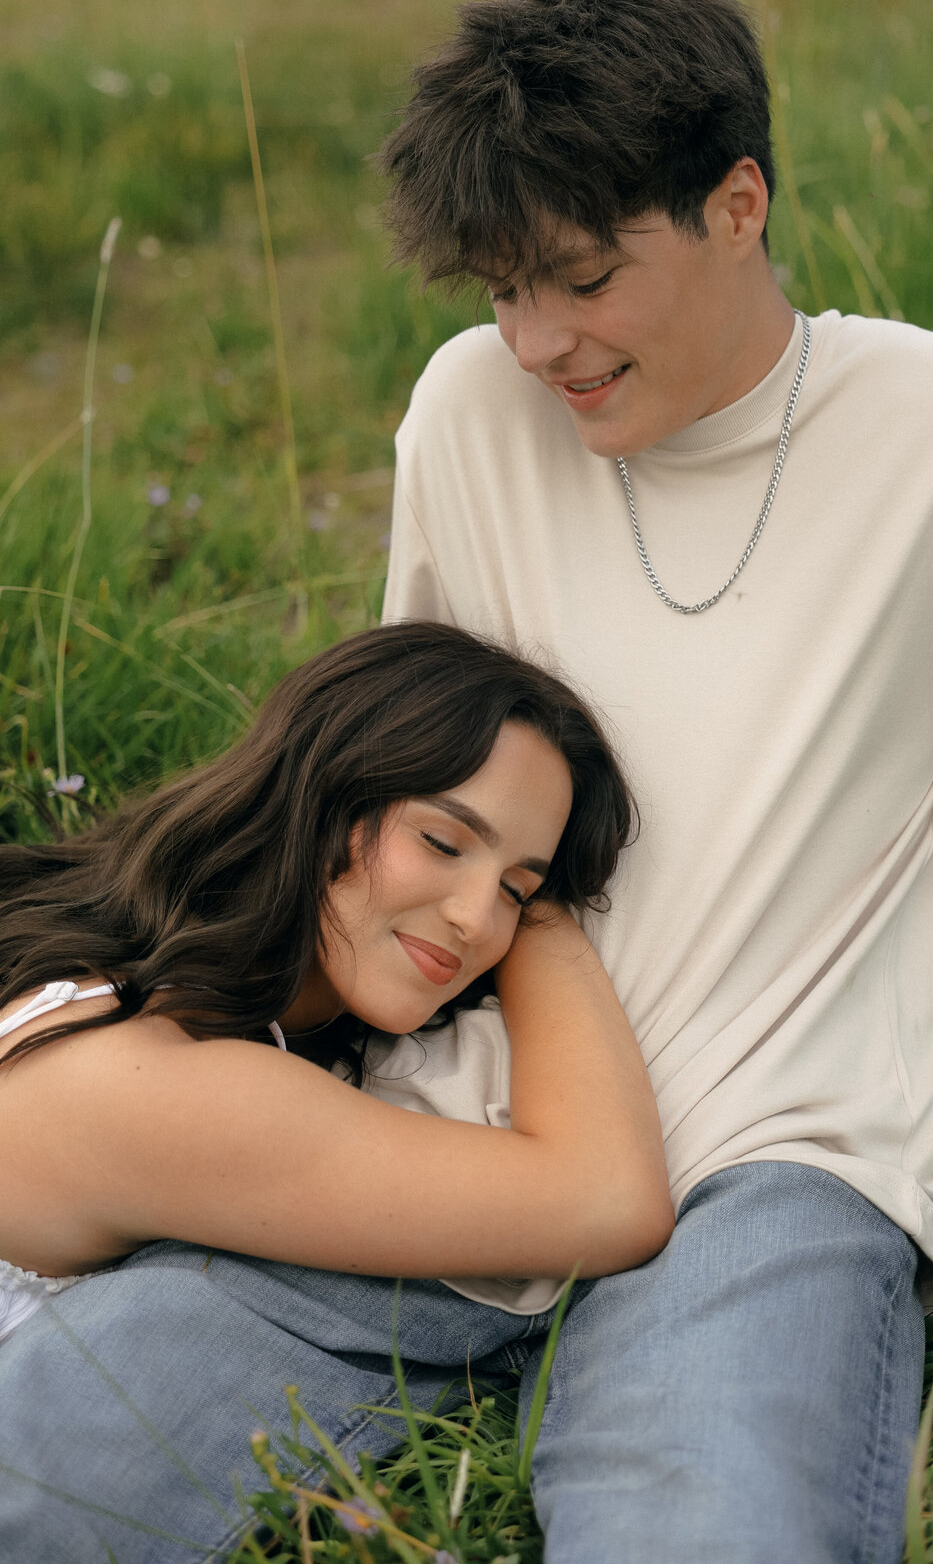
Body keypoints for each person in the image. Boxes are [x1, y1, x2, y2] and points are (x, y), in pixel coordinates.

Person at [0, 0, 933, 1564]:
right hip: (444, 1137)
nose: (538, 341)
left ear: (738, 206)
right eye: (503, 289)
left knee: (712, 1528)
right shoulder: (470, 409)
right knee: (38, 1467)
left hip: (769, 1154)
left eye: (583, 279)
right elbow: (412, 766)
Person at [0, 624, 672, 1543]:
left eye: (517, 888)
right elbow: (609, 1198)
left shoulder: (143, 958)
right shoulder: (162, 1082)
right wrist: (552, 925)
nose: (479, 920)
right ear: (320, 798)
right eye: (442, 842)